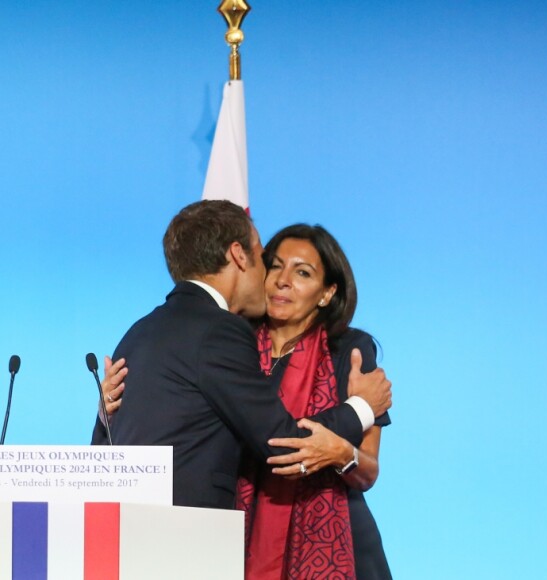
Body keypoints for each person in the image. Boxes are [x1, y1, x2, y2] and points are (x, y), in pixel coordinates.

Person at [101, 216, 393, 579]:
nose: (283, 280)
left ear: (327, 293)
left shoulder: (349, 350)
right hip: (236, 533)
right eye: (274, 266)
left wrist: (341, 453)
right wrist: (109, 408)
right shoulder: (232, 341)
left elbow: (369, 468)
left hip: (331, 539)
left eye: (302, 273)